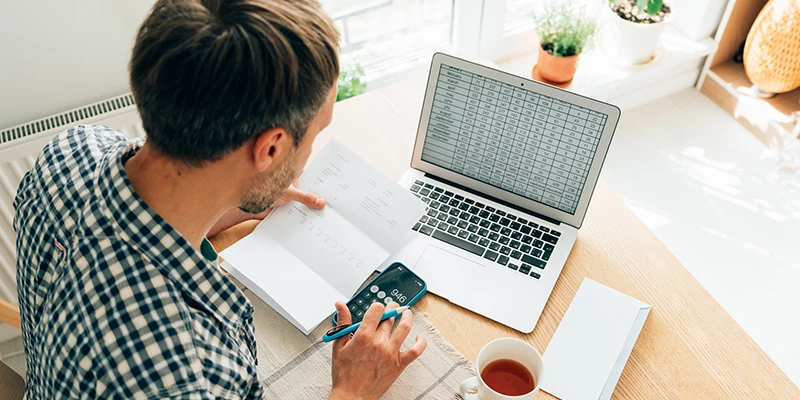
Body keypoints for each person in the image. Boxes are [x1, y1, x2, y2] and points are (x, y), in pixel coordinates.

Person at [13, 0, 426, 398]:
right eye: (315, 134)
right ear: (270, 149)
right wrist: (351, 391)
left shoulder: (71, 149)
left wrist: (235, 198)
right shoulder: (189, 376)